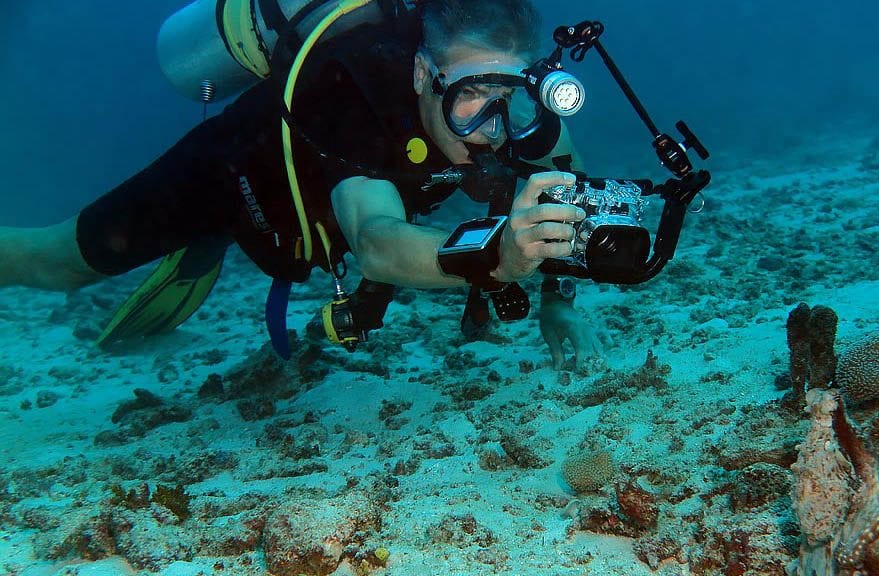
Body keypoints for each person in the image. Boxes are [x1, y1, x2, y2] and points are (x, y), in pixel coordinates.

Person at [0, 0, 603, 369]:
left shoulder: (520, 123)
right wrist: (497, 257)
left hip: (317, 223)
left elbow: (563, 184)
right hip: (230, 177)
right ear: (424, 73)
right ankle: (204, 236)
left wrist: (557, 300)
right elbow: (378, 241)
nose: (493, 129)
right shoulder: (354, 97)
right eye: (471, 95)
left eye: (511, 100)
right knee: (59, 262)